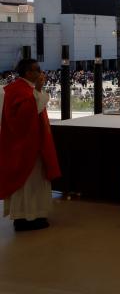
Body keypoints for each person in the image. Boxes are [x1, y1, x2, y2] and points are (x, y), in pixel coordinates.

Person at [0, 59, 60, 231]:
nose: (41, 73)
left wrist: (38, 91)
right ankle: (27, 217)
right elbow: (25, 116)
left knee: (34, 181)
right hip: (26, 146)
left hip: (32, 143)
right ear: (27, 73)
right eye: (37, 70)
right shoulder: (19, 90)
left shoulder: (22, 89)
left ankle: (31, 214)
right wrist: (39, 90)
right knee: (29, 182)